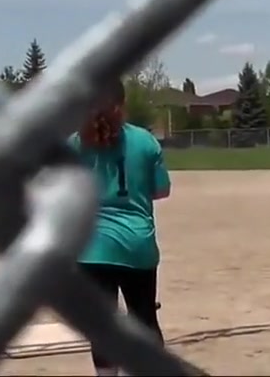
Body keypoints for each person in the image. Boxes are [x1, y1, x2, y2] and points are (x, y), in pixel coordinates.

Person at [68, 79, 171, 377]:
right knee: (145, 318)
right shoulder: (145, 141)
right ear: (122, 104)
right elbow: (161, 190)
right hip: (137, 243)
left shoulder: (75, 143)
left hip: (92, 247)